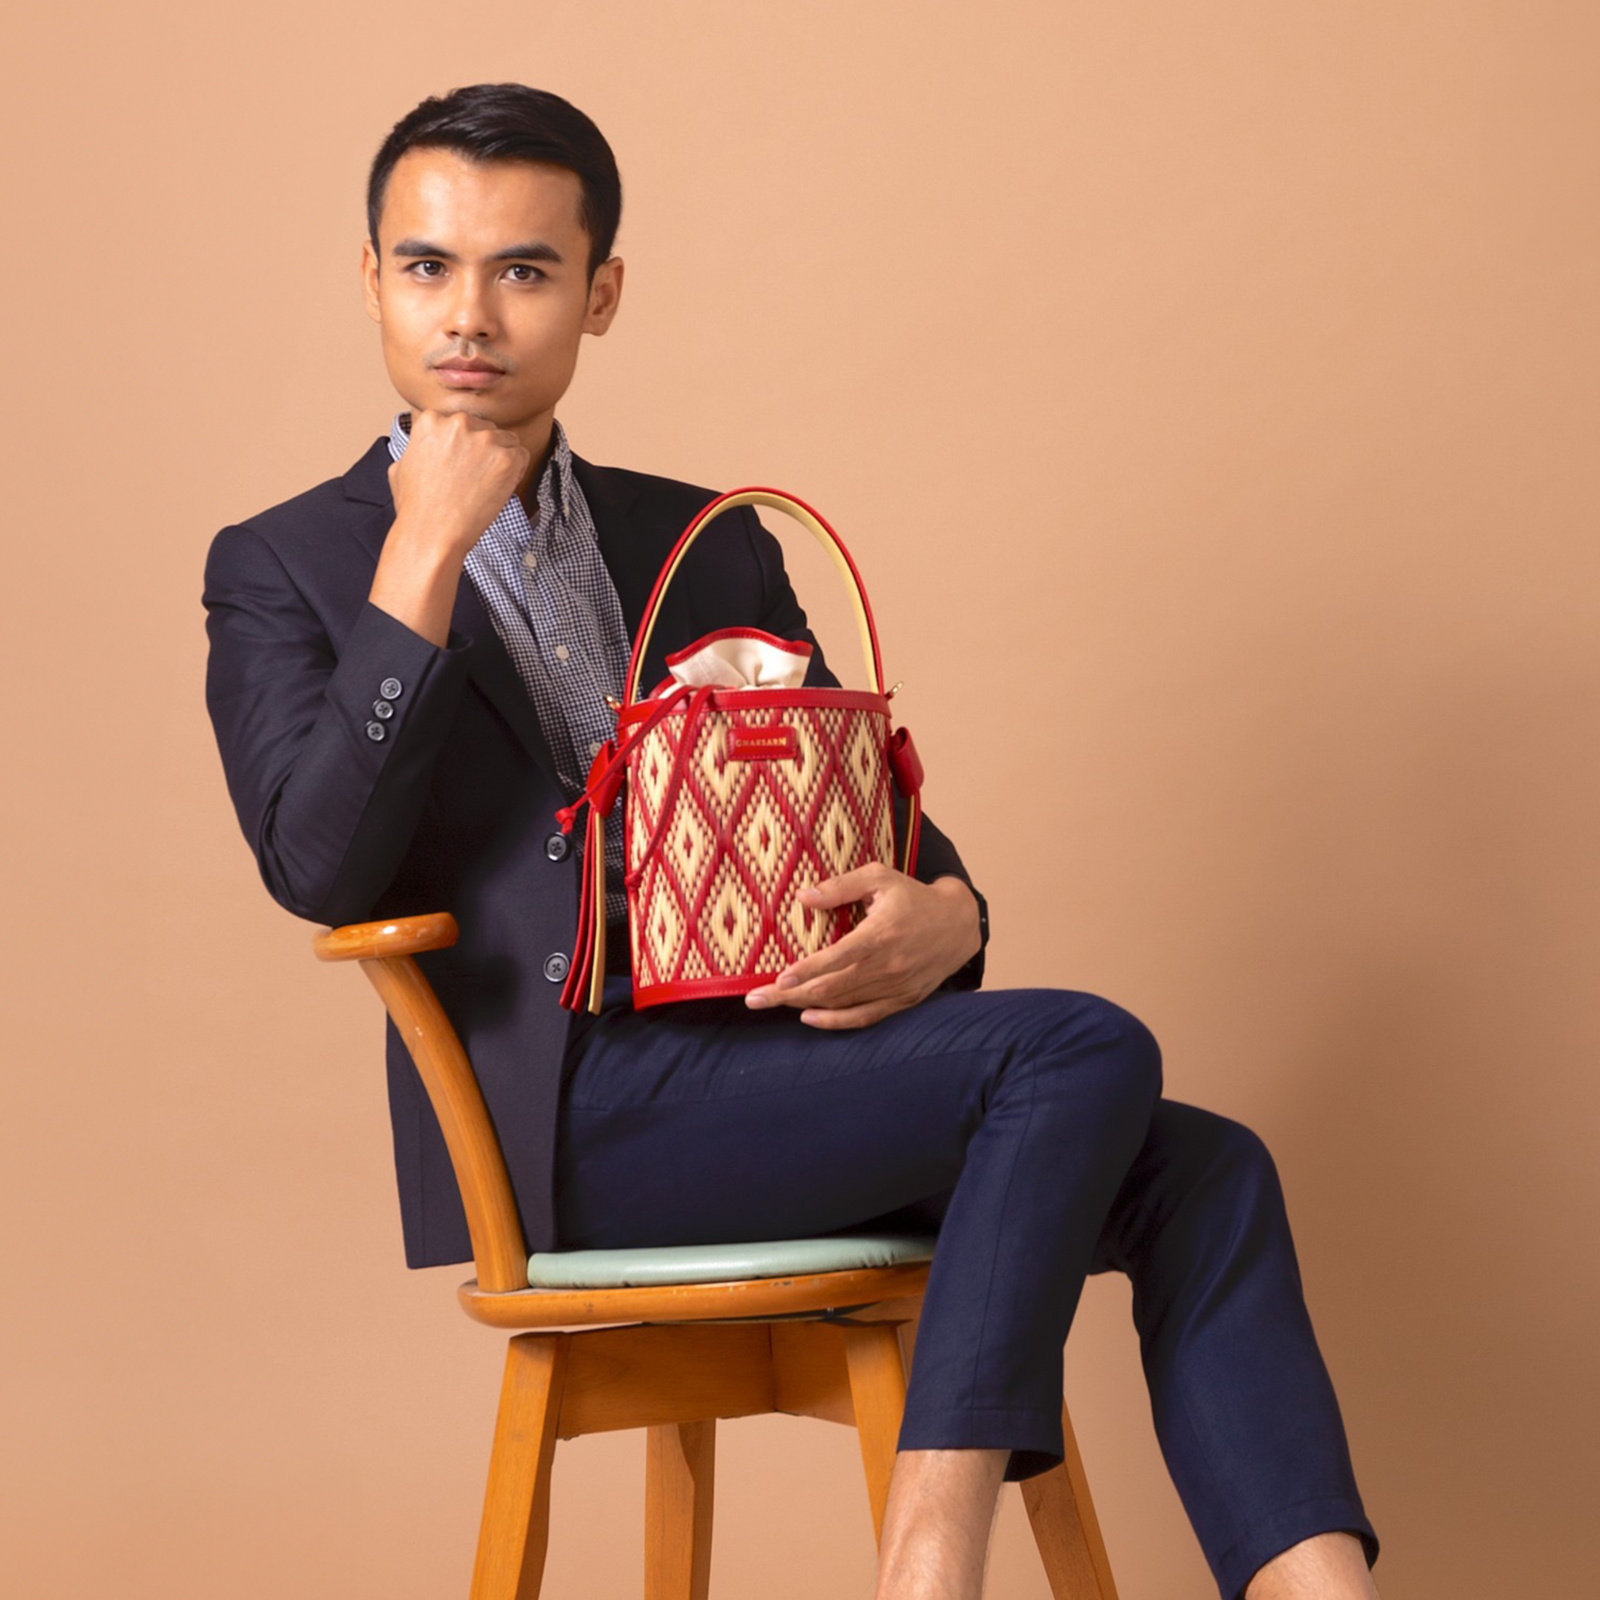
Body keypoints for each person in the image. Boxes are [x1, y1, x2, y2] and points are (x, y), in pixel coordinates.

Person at [202, 82, 1382, 1600]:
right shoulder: (284, 564)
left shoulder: (703, 535)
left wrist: (951, 913)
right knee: (1082, 1049)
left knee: (1207, 1167)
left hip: (774, 1061)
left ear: (599, 292)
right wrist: (418, 558)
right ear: (371, 279)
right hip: (562, 1117)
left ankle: (1317, 1592)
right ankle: (931, 1546)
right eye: (426, 266)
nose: (471, 313)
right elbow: (321, 866)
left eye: (526, 269)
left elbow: (882, 817)